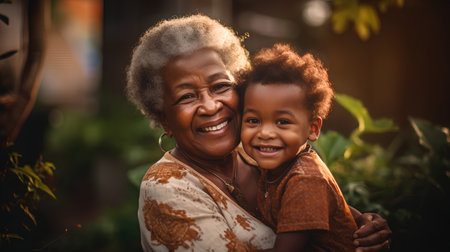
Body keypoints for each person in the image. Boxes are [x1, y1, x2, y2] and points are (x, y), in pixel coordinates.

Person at [125, 14, 392, 251]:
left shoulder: (260, 152)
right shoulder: (167, 189)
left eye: (220, 86)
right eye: (186, 96)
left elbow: (312, 197)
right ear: (165, 120)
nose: (210, 106)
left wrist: (361, 224)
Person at [240, 43, 357, 251]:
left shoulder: (305, 180)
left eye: (283, 122)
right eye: (253, 120)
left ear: (313, 129)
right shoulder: (274, 168)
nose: (265, 133)